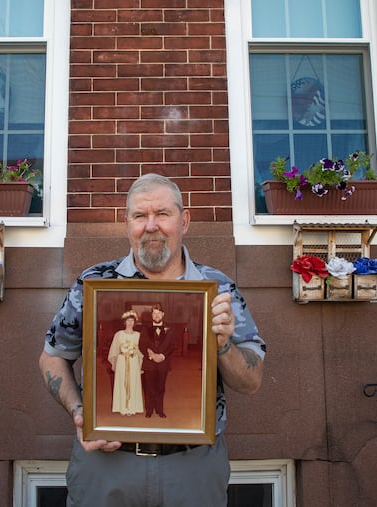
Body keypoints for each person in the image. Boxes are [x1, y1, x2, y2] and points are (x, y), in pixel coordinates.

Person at [39, 173, 266, 506]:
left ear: (184, 220)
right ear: (127, 223)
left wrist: (223, 346)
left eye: (162, 214)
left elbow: (251, 382)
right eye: (139, 216)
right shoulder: (94, 284)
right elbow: (52, 356)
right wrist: (79, 412)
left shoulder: (219, 290)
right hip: (107, 465)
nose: (151, 225)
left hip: (192, 469)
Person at [139, 303, 176, 418]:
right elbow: (141, 345)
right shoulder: (145, 329)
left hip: (163, 364)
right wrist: (151, 355)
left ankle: (160, 410)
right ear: (151, 315)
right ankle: (149, 409)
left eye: (158, 313)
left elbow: (172, 346)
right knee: (149, 387)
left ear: (163, 314)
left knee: (160, 387)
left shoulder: (169, 329)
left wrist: (163, 356)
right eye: (154, 313)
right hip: (149, 363)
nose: (156, 315)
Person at [107, 309, 144, 416]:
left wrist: (140, 363)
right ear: (124, 322)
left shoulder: (138, 335)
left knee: (133, 382)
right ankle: (122, 408)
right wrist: (115, 362)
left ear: (135, 322)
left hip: (133, 362)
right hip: (122, 362)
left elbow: (141, 351)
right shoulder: (119, 334)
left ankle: (132, 408)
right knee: (122, 383)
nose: (130, 323)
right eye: (128, 321)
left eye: (132, 321)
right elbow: (114, 350)